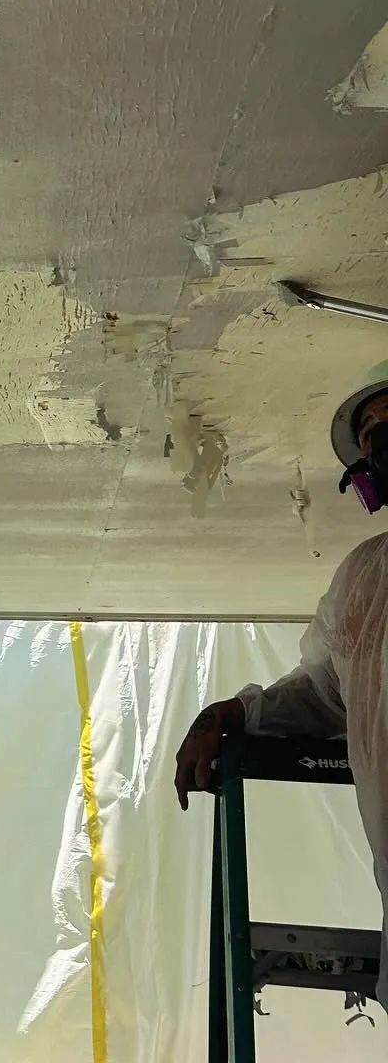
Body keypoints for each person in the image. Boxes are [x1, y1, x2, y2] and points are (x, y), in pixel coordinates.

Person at [174, 364, 388, 1009]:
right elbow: (330, 690)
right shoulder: (367, 576)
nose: (381, 440)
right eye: (372, 433)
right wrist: (233, 715)